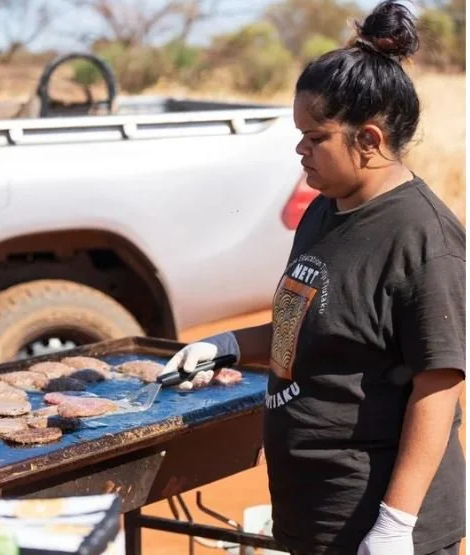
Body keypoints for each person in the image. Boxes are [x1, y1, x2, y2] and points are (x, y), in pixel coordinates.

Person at [158, 1, 466, 553]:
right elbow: (300, 327)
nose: (300, 150)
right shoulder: (325, 210)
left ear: (369, 140)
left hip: (376, 524)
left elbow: (438, 386)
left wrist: (395, 525)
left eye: (315, 137)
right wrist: (223, 346)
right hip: (314, 511)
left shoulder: (423, 239)